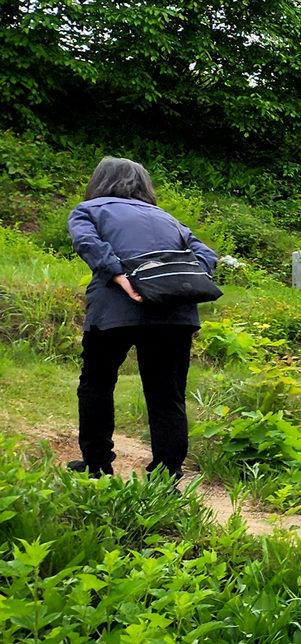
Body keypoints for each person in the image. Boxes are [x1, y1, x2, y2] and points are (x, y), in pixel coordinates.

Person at [67, 157, 219, 480]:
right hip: (174, 314)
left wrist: (118, 274)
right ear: (145, 186)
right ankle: (166, 477)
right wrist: (179, 283)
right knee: (168, 395)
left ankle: (96, 465)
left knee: (97, 383)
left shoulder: (88, 210)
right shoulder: (169, 220)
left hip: (114, 310)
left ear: (99, 182)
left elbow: (87, 242)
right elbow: (207, 256)